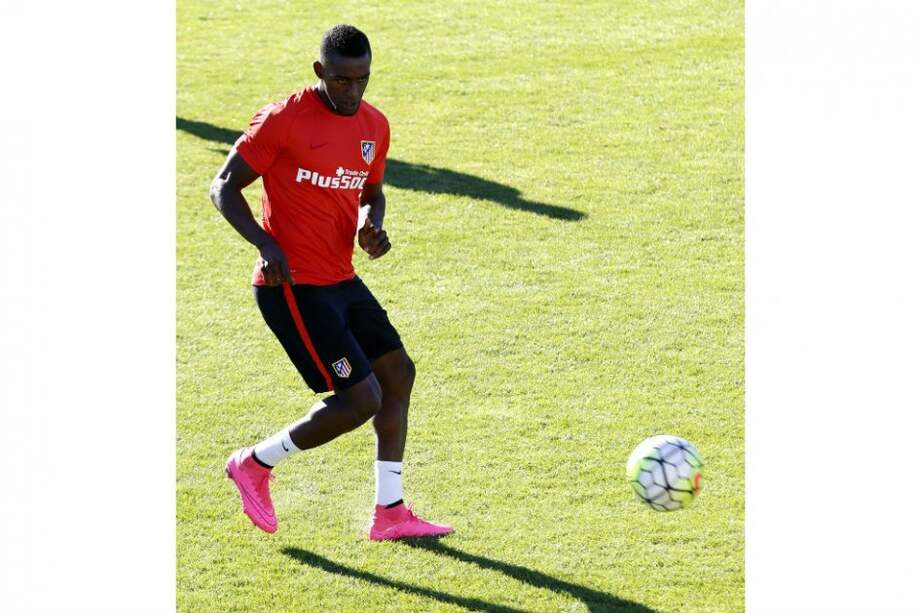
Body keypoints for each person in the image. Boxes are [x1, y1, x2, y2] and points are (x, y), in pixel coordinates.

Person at [208, 24, 453, 541]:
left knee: (398, 374)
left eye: (362, 79)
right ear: (321, 72)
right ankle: (253, 464)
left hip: (341, 278)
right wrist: (264, 242)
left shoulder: (373, 125)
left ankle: (390, 512)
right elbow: (224, 186)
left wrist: (372, 222)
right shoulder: (282, 120)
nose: (353, 91)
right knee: (360, 398)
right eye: (342, 81)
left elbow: (372, 190)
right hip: (292, 286)